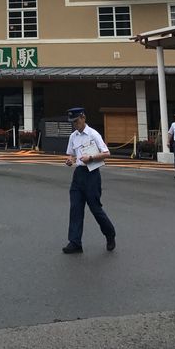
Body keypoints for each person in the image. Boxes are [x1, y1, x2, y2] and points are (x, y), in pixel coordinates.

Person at [63, 107, 116, 254]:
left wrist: (91, 158)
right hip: (79, 173)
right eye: (73, 122)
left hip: (92, 173)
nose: (75, 124)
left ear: (83, 117)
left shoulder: (93, 134)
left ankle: (110, 233)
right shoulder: (73, 136)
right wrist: (69, 160)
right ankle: (75, 242)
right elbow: (72, 155)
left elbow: (106, 153)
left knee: (95, 208)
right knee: (75, 208)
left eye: (77, 121)